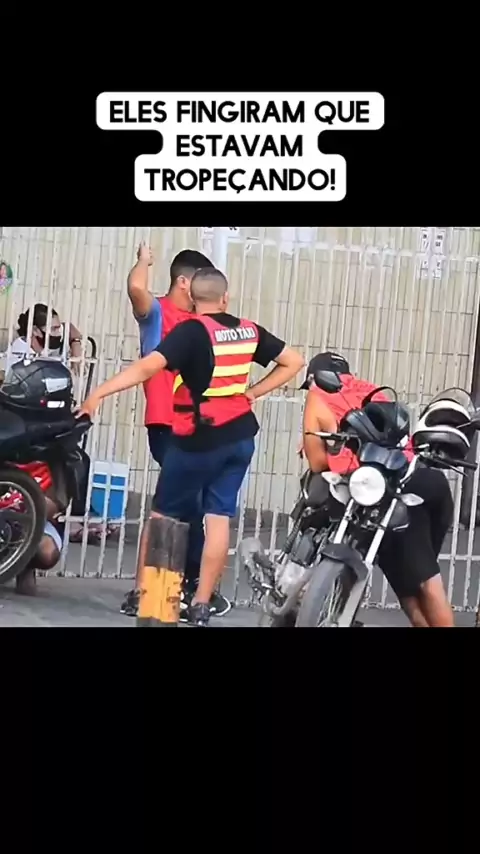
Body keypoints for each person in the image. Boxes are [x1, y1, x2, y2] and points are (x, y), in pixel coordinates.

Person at [79, 267, 305, 626]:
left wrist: (99, 393)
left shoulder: (191, 332)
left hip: (198, 438)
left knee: (162, 516)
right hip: (240, 437)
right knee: (218, 519)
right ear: (225, 298)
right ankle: (201, 604)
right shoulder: (249, 330)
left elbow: (146, 368)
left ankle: (147, 596)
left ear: (193, 298)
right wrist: (253, 393)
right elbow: (294, 361)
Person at [301, 351, 455, 628]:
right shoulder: (372, 390)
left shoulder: (317, 394)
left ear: (314, 377)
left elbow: (317, 462)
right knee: (411, 579)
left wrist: (324, 448)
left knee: (421, 580)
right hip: (411, 482)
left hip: (398, 489)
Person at [121, 244, 231, 619]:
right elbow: (136, 289)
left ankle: (177, 587)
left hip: (200, 425)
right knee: (176, 505)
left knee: (187, 504)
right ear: (184, 282)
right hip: (167, 422)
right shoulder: (158, 313)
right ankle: (160, 590)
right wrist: (144, 261)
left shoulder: (201, 322)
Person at [0, 461, 65, 596]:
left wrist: (32, 504)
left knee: (47, 553)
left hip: (34, 521)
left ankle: (24, 565)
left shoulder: (56, 463)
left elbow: (53, 507)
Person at [4, 304, 83, 372]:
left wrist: (75, 343)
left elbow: (68, 326)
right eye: (53, 329)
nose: (59, 333)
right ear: (35, 330)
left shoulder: (48, 346)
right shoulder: (19, 352)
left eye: (58, 328)